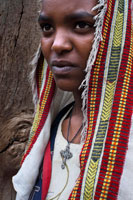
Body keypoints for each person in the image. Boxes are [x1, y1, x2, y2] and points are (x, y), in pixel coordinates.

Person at [12, 0, 133, 199]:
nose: (57, 44)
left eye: (81, 25)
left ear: (120, 31)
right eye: (47, 27)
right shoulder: (53, 128)